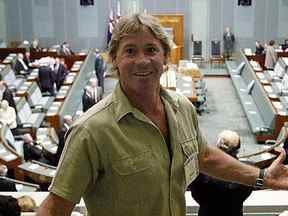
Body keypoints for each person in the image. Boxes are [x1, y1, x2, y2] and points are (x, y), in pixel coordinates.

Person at [37, 13, 288, 216]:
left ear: (166, 57)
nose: (142, 60)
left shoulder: (182, 108)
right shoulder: (90, 131)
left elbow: (205, 157)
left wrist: (263, 177)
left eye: (150, 50)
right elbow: (55, 207)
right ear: (114, 60)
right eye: (130, 51)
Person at [189, 130, 253, 216]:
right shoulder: (249, 172)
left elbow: (196, 195)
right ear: (237, 149)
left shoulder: (201, 174)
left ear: (217, 147)